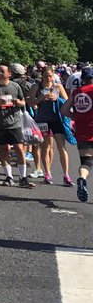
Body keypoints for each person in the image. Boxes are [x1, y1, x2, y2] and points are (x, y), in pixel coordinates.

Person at [0, 64, 34, 189]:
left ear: (9, 74)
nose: (0, 73)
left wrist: (18, 102)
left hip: (14, 123)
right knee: (3, 150)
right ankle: (9, 176)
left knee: (19, 149)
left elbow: (23, 102)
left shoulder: (15, 86)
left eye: (3, 71)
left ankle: (23, 177)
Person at [28, 67, 70, 186]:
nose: (48, 78)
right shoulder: (36, 87)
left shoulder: (58, 86)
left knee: (61, 146)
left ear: (53, 75)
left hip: (57, 119)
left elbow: (67, 101)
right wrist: (40, 99)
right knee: (45, 146)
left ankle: (66, 175)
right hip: (43, 120)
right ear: (42, 76)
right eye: (46, 75)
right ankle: (47, 173)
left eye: (50, 75)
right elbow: (30, 102)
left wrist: (57, 98)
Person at [60, 67, 93, 202]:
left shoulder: (77, 92)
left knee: (87, 161)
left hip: (82, 130)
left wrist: (75, 116)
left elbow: (64, 110)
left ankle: (82, 178)